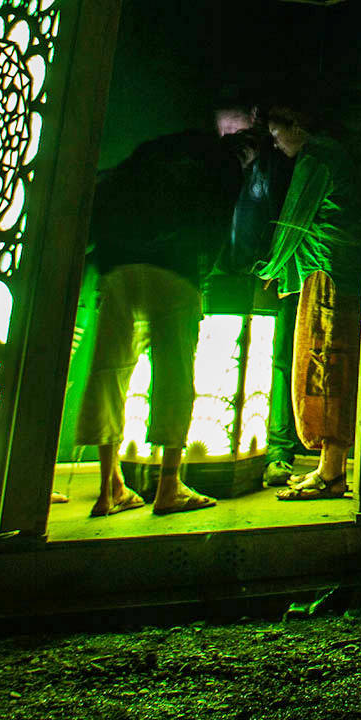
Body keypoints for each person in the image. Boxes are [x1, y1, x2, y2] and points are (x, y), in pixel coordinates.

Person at [76, 131, 238, 516]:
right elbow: (216, 227)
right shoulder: (205, 170)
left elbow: (96, 216)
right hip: (175, 271)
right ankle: (169, 486)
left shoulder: (130, 169)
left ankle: (109, 486)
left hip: (119, 269)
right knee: (174, 375)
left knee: (110, 372)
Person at [256, 104, 361, 501]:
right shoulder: (335, 154)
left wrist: (270, 267)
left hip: (325, 275)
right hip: (338, 272)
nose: (275, 142)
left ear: (297, 123)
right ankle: (328, 468)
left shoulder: (317, 156)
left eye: (275, 132)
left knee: (325, 367)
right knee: (330, 366)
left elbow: (294, 219)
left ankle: (331, 473)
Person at [211, 101, 298, 488]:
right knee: (229, 357)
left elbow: (279, 210)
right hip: (230, 269)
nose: (232, 141)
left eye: (239, 131)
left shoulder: (276, 163)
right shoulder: (224, 169)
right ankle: (217, 443)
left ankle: (278, 450)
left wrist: (274, 261)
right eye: (226, 134)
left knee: (278, 360)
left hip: (269, 272)